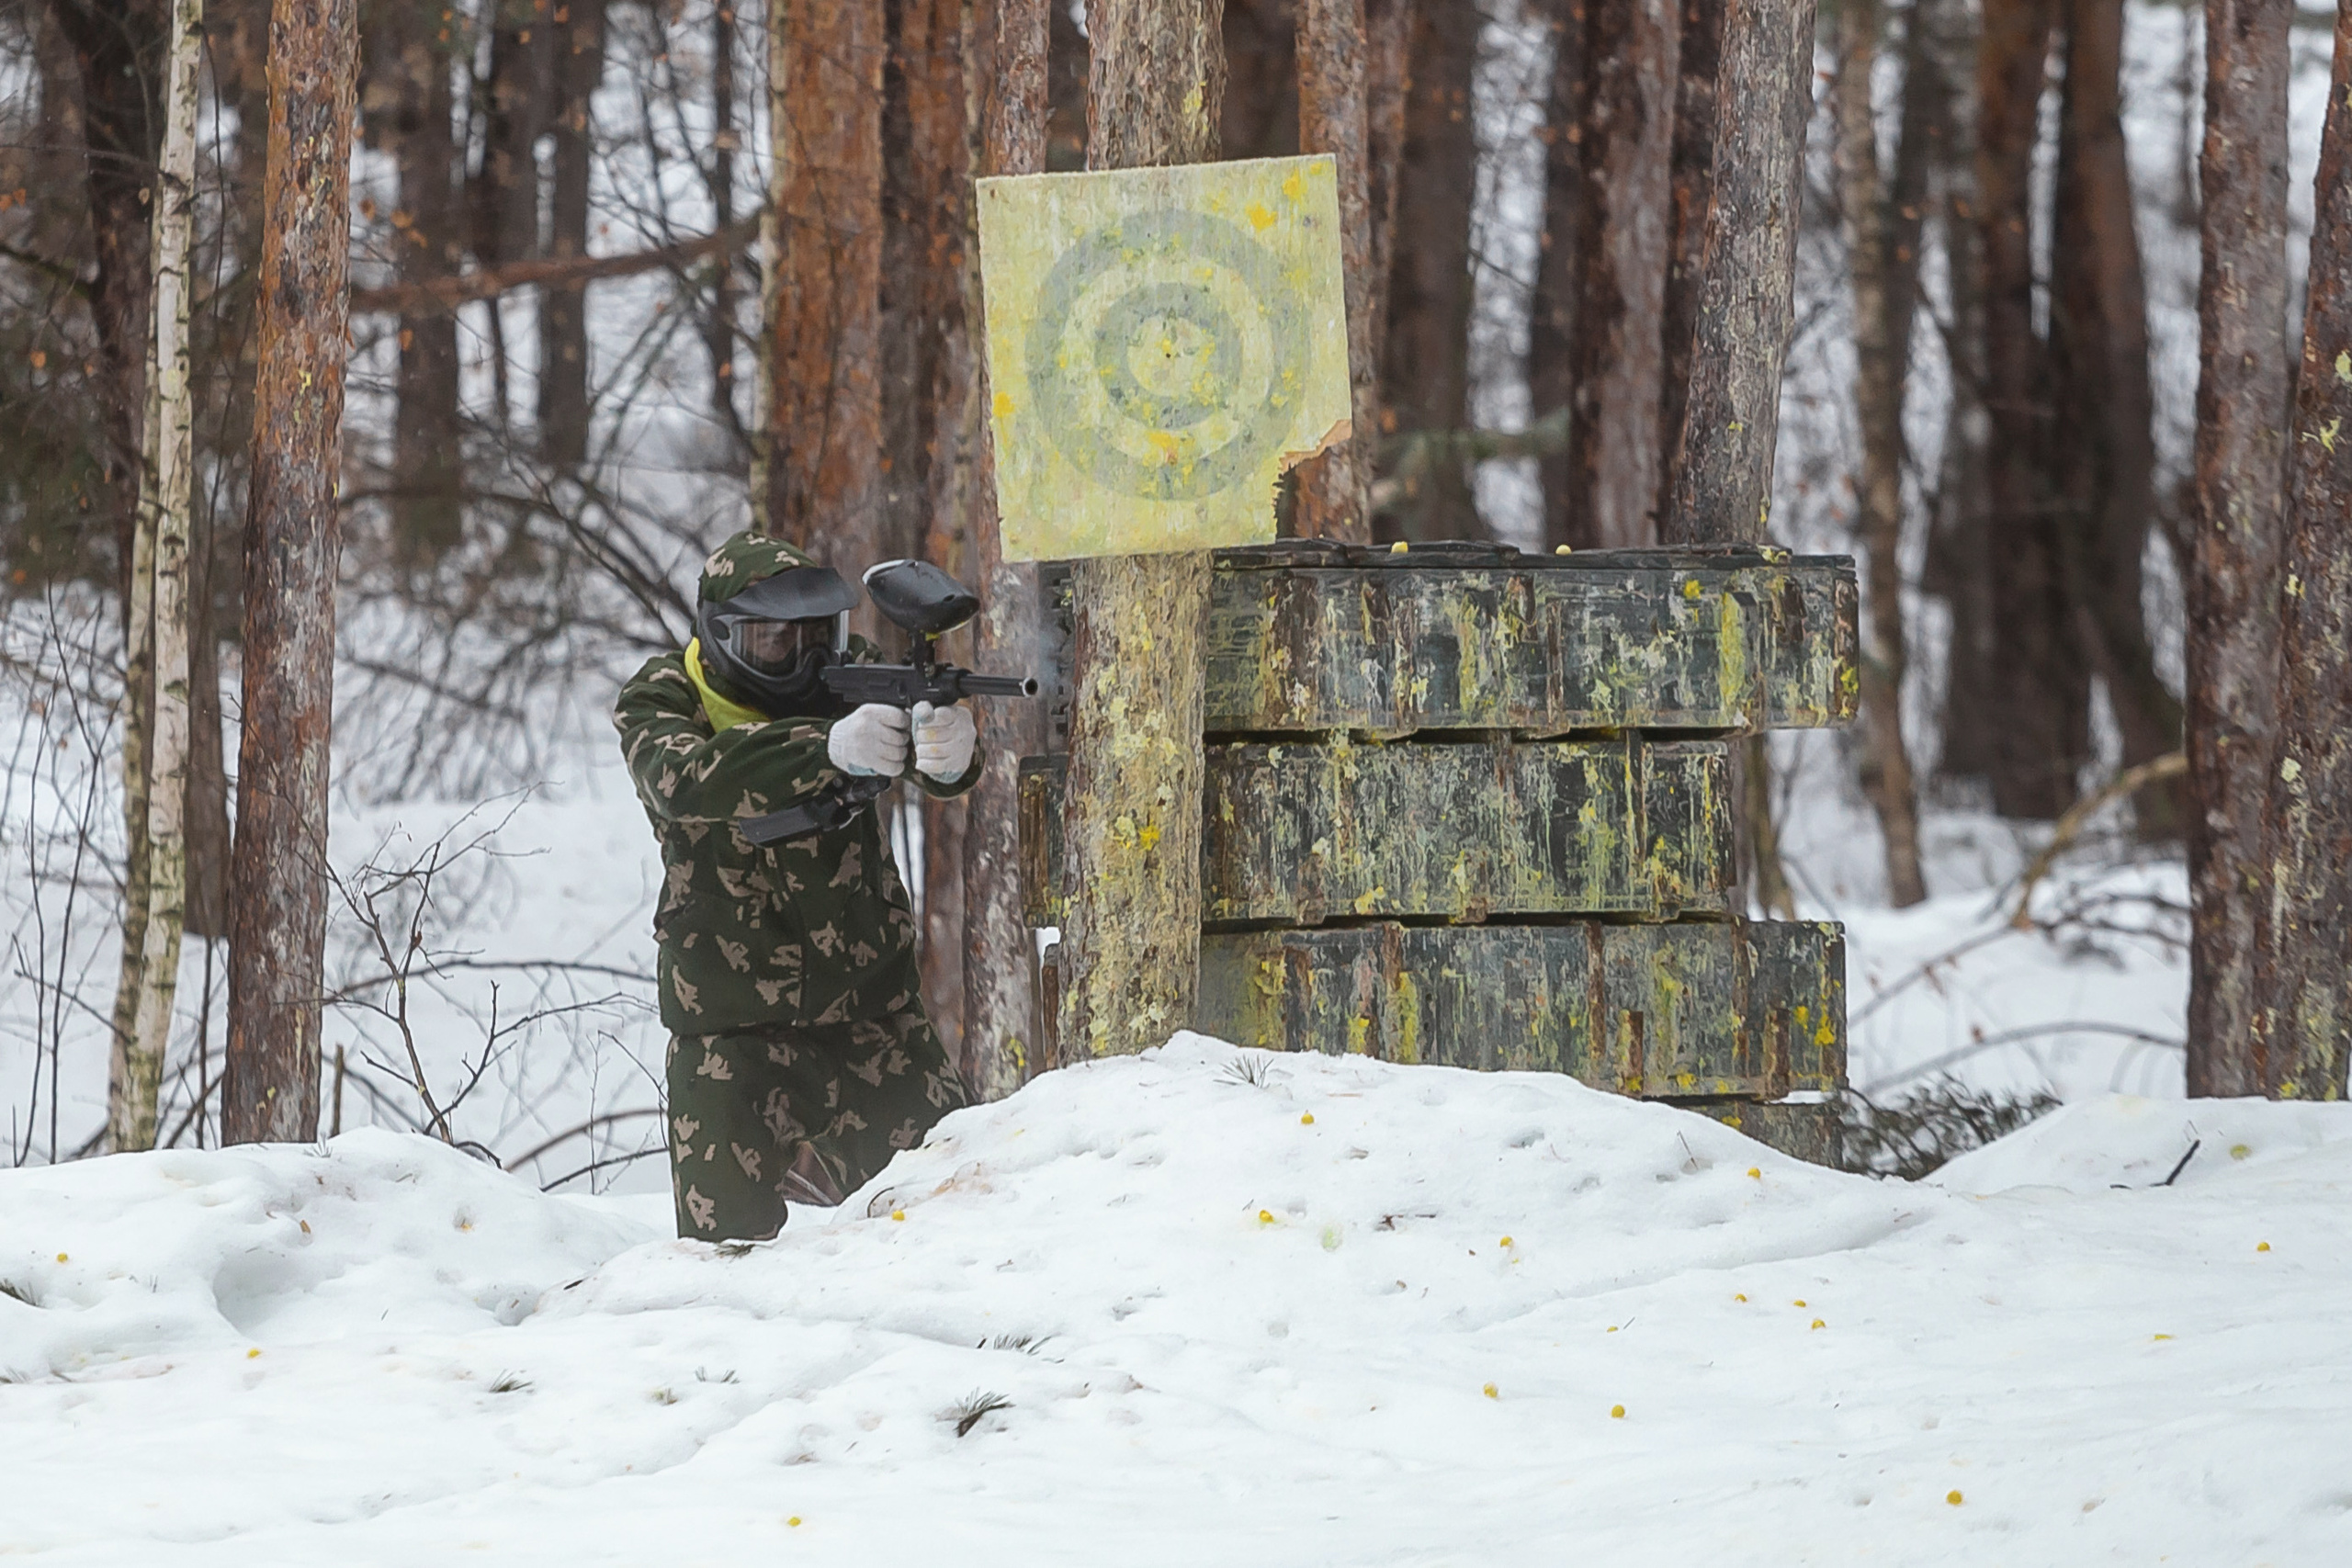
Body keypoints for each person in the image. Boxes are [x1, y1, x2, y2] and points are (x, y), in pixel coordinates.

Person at [614, 529, 978, 1241]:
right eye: (774, 640)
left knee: (961, 1210)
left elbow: (926, 746)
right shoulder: (660, 698)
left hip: (874, 1013)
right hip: (731, 1032)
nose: (804, 657)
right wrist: (824, 749)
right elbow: (682, 781)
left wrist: (950, 754)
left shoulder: (850, 677)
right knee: (725, 1255)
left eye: (819, 634)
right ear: (722, 639)